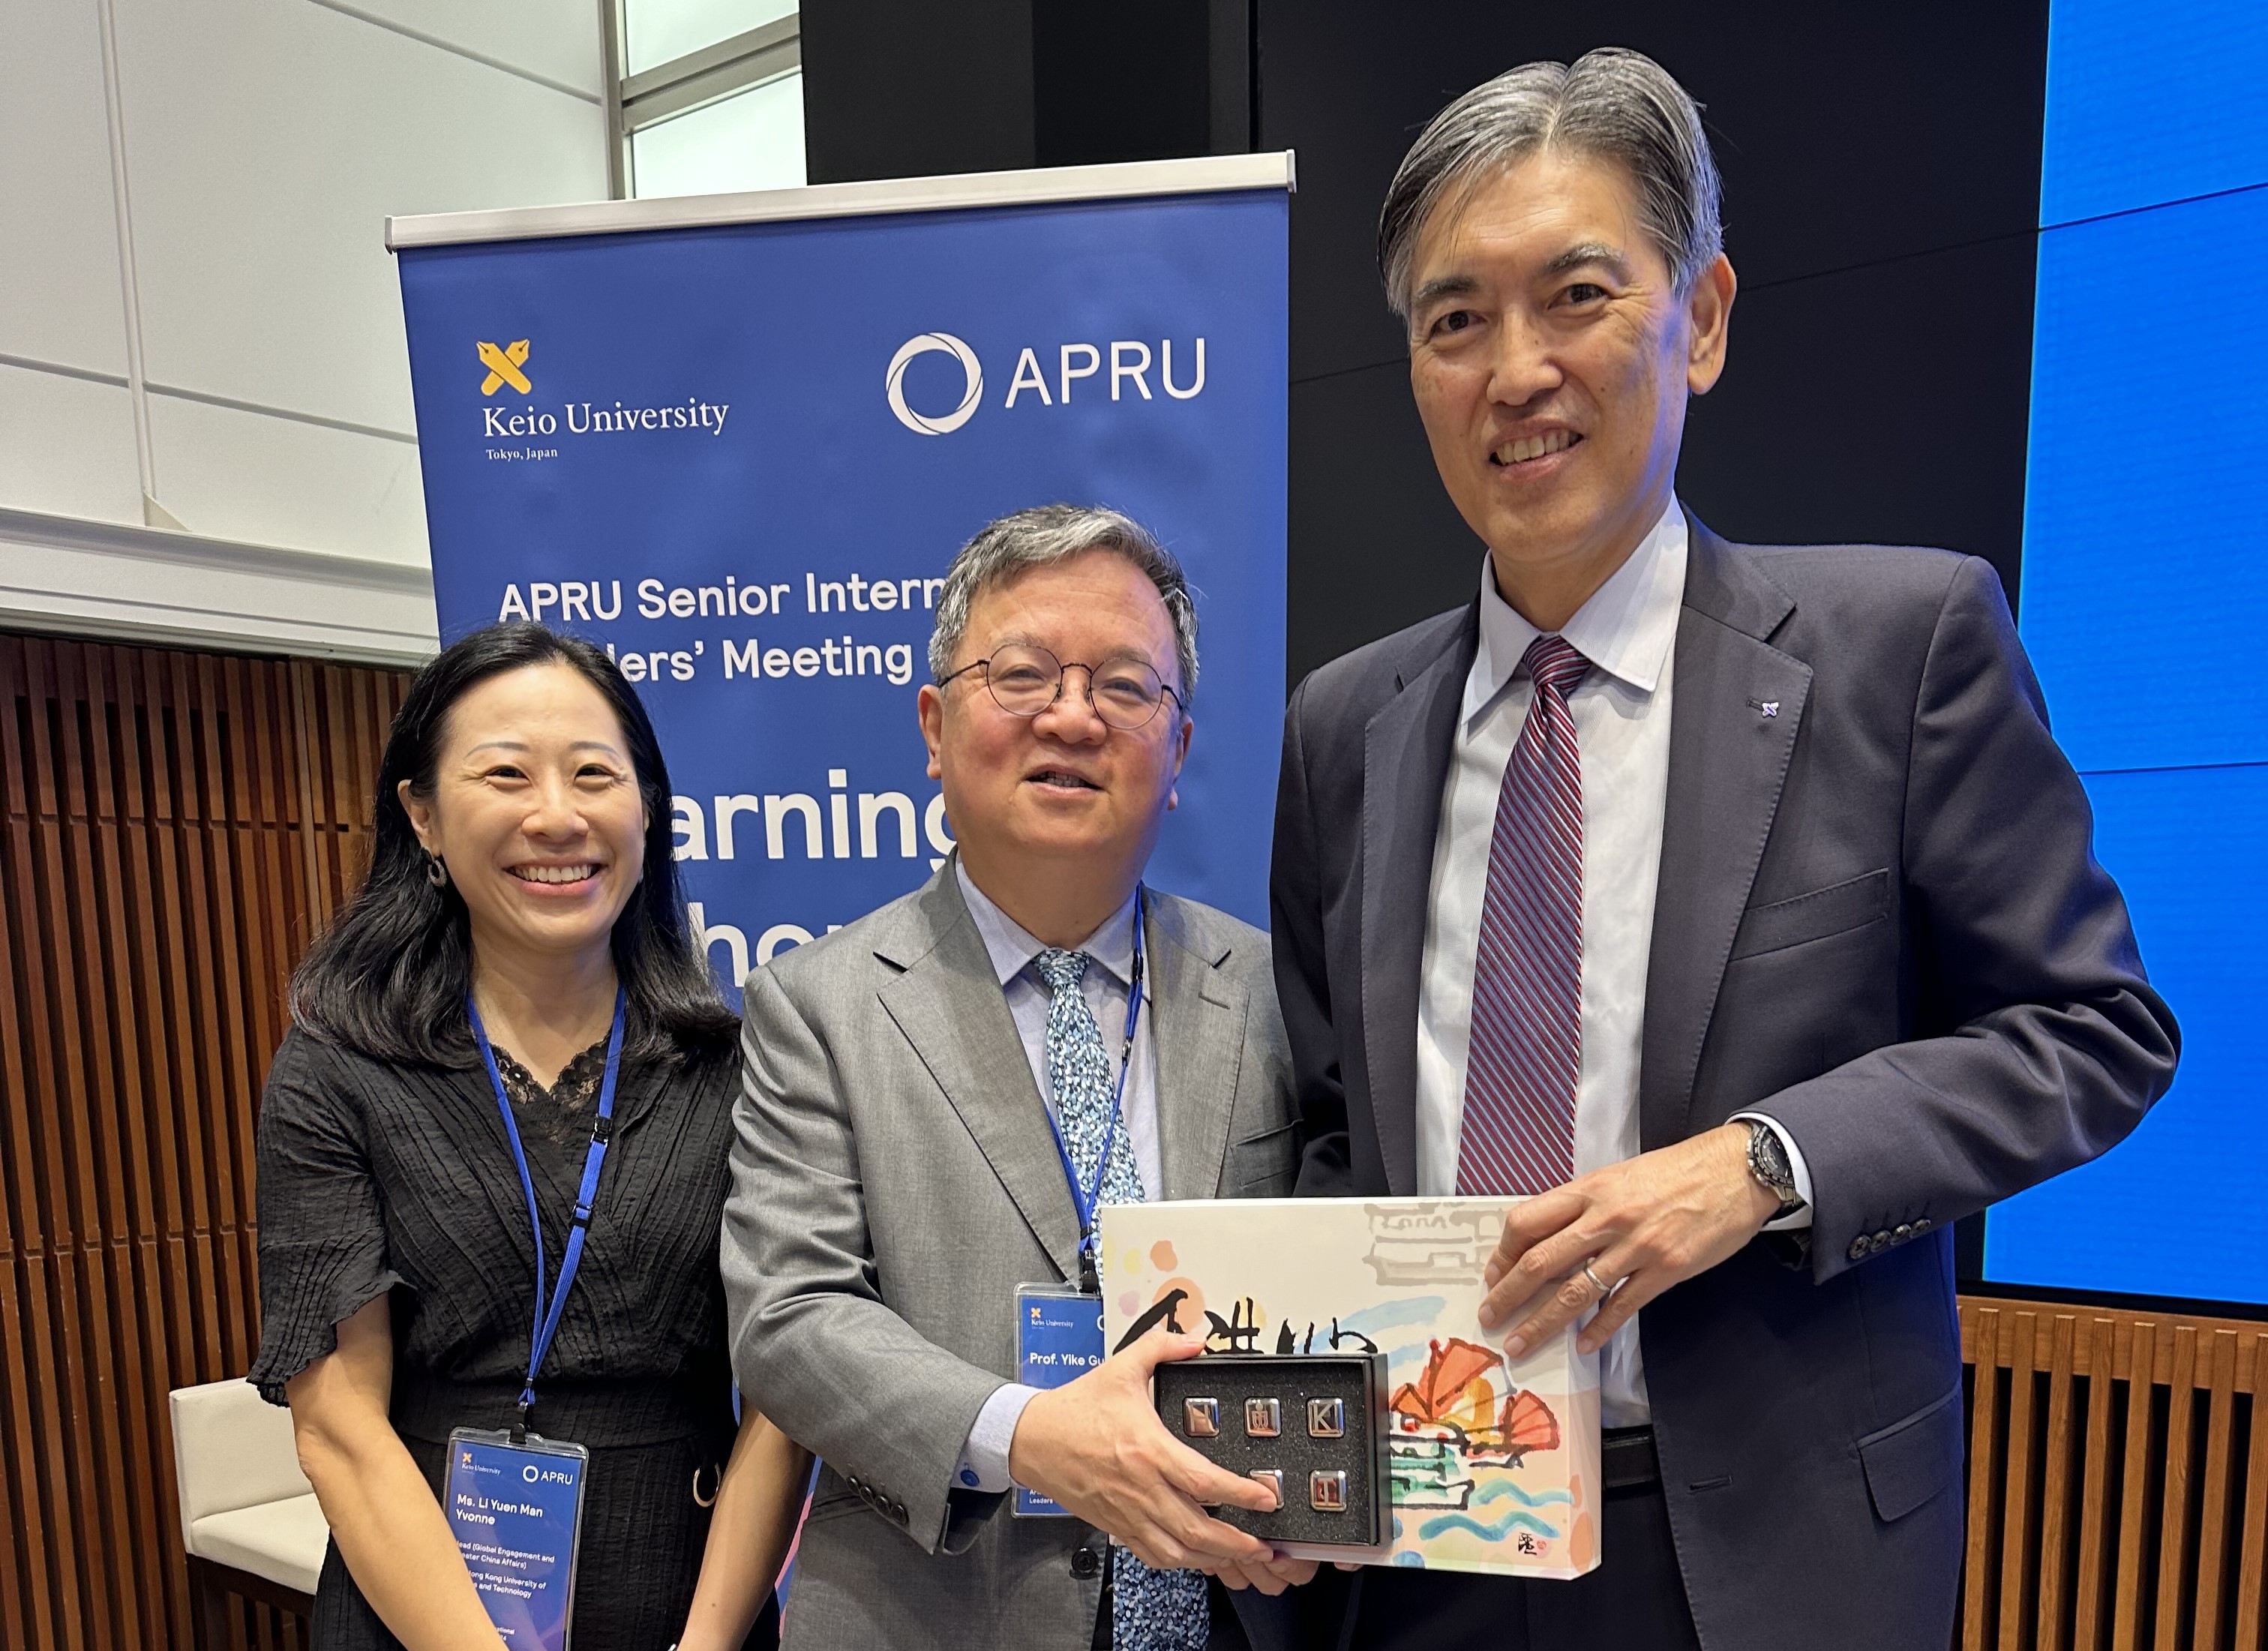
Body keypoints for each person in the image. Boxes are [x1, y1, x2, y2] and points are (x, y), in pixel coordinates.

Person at [1268, 47, 2180, 1651]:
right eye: (1455, 319)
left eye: (1578, 295)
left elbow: (2091, 1034)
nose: (1516, 369)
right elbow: (1340, 1129)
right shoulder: (1344, 726)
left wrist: (1762, 1166)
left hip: (1764, 1555)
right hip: (1426, 1539)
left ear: (1701, 319)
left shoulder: (1902, 646)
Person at [722, 505, 1309, 1650]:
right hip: (937, 1614)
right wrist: (1030, 1432)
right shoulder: (817, 1006)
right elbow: (789, 1317)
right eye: (1024, 672)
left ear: (1178, 748)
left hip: (1240, 1602)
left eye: (1127, 685)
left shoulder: (1276, 991)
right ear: (935, 727)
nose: (1075, 715)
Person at [250, 623, 811, 1650]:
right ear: (421, 813)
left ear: (646, 810)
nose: (556, 816)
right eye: (505, 774)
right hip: (418, 1611)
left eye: (595, 774)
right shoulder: (337, 1070)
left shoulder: (740, 1067)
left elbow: (787, 1392)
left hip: (694, 1609)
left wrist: (708, 1645)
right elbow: (336, 1424)